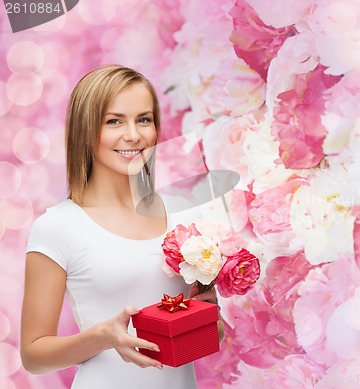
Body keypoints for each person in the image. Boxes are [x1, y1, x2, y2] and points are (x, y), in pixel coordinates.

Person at [20, 65, 222, 388]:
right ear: (85, 130)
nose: (133, 135)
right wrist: (102, 336)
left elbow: (215, 334)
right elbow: (33, 355)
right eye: (114, 121)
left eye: (143, 119)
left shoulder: (184, 216)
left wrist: (208, 316)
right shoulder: (58, 227)